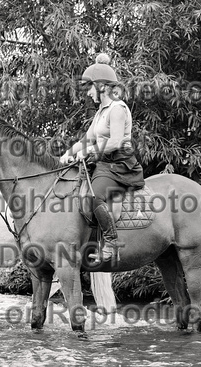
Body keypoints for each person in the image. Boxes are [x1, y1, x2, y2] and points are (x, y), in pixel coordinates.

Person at [59, 53, 144, 263]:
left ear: (101, 86)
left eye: (89, 87)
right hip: (104, 163)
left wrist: (88, 153)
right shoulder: (100, 112)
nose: (88, 93)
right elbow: (86, 140)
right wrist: (67, 154)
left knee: (94, 197)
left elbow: (115, 141)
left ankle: (111, 241)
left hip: (119, 164)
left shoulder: (117, 108)